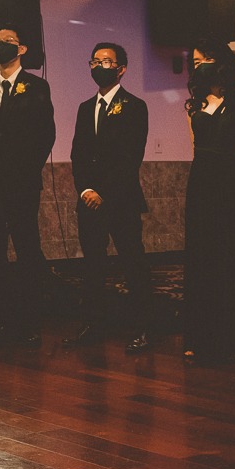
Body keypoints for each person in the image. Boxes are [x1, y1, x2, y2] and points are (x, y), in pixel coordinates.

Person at [64, 42, 156, 352]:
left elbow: (131, 157)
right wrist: (86, 190)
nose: (99, 65)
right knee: (93, 265)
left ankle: (144, 327)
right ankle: (92, 325)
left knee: (133, 263)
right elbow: (78, 153)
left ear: (121, 68)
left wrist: (105, 193)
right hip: (89, 200)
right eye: (95, 61)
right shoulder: (84, 108)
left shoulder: (134, 106)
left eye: (107, 60)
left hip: (121, 199)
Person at [0, 24, 55, 348]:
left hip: (22, 183)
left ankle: (30, 322)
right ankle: (2, 322)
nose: (0, 46)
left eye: (7, 41)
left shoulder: (36, 86)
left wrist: (25, 169)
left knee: (26, 249)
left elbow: (45, 134)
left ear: (21, 49)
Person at [183, 39, 235, 364]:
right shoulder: (194, 104)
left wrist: (230, 167)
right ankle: (201, 337)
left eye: (205, 58)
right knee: (203, 258)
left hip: (232, 184)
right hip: (201, 184)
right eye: (196, 60)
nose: (199, 64)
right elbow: (195, 145)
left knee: (233, 257)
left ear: (221, 62)